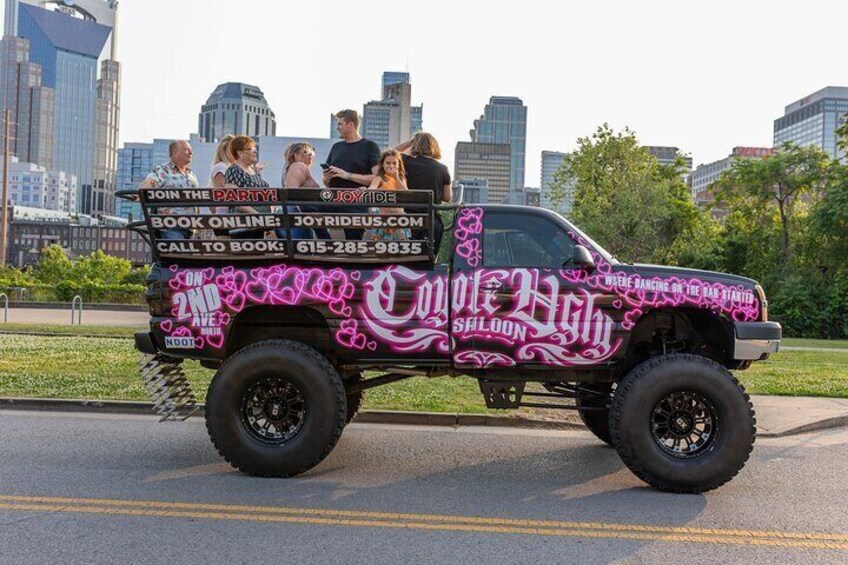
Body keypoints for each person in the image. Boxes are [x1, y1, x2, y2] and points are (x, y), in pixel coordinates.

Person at [323, 109, 380, 240]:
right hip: (332, 199)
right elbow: (326, 182)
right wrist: (327, 178)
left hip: (355, 201)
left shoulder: (370, 146)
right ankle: (324, 245)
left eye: (340, 124)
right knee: (309, 213)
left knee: (353, 242)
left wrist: (347, 175)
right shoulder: (336, 147)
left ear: (351, 124)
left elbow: (377, 178)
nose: (337, 128)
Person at [393, 132, 453, 255]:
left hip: (407, 219)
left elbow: (390, 153)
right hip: (431, 221)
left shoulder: (405, 161)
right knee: (428, 258)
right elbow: (447, 197)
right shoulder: (443, 168)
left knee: (407, 258)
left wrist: (412, 140)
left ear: (415, 145)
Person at [138, 140, 199, 240]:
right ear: (175, 153)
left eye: (190, 150)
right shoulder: (163, 169)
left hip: (191, 228)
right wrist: (140, 193)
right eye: (186, 150)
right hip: (172, 227)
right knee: (179, 254)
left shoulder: (191, 174)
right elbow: (150, 182)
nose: (190, 153)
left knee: (189, 254)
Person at [224, 135, 271, 240]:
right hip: (243, 225)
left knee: (258, 254)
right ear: (240, 153)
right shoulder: (234, 170)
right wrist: (258, 216)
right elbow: (234, 199)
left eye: (255, 149)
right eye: (250, 149)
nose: (255, 151)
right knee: (245, 255)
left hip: (259, 224)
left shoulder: (254, 171)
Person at [364, 150, 411, 241]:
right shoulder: (379, 177)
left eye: (394, 163)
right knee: (380, 244)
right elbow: (372, 188)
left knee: (400, 244)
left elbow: (406, 193)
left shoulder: (401, 178)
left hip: (398, 216)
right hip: (383, 216)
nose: (391, 166)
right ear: (382, 164)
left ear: (399, 165)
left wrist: (396, 177)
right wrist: (366, 190)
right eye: (388, 163)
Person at [279, 142, 318, 240]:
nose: (310, 154)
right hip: (297, 218)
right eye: (305, 152)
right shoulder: (299, 166)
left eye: (311, 152)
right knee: (302, 250)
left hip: (296, 217)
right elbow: (292, 193)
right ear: (296, 155)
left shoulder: (291, 169)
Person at [209, 134, 235, 236]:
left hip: (231, 217)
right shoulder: (221, 167)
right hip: (225, 219)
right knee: (226, 248)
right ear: (224, 150)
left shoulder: (232, 167)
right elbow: (224, 194)